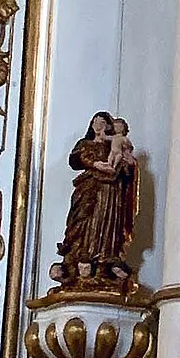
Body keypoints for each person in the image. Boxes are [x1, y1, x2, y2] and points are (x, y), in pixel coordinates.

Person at [50, 112, 140, 291]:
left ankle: (104, 263)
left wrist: (128, 164)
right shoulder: (85, 144)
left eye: (102, 122)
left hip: (111, 192)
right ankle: (79, 261)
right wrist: (94, 164)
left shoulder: (114, 143)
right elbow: (74, 160)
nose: (98, 125)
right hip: (89, 188)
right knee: (81, 222)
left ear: (108, 126)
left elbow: (126, 170)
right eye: (95, 122)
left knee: (108, 225)